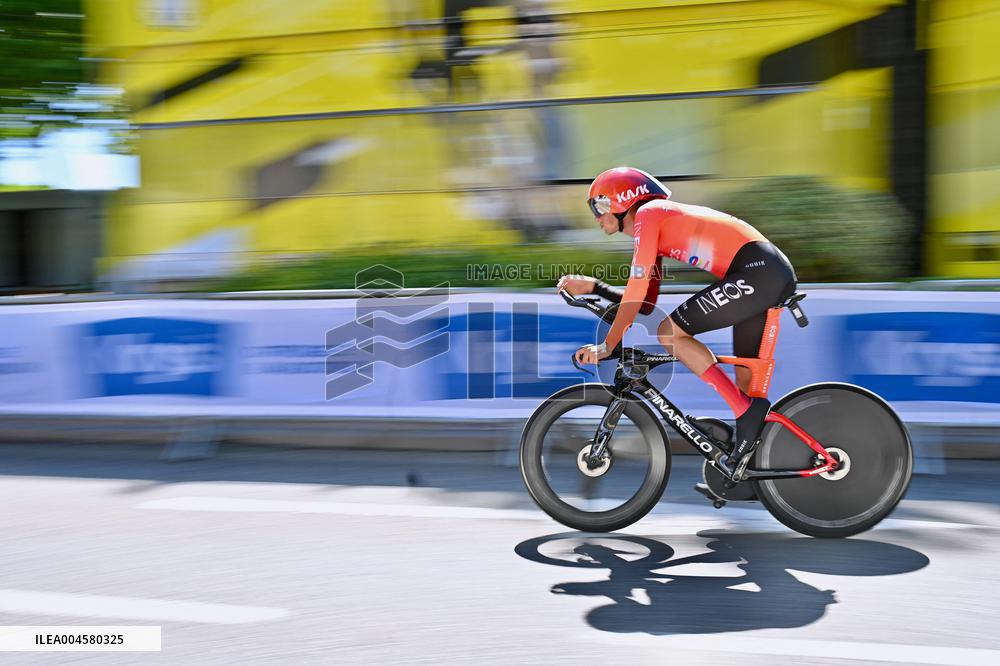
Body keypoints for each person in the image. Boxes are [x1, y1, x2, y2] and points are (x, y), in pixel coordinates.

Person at [558, 166, 797, 473]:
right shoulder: (653, 226)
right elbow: (644, 303)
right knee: (745, 381)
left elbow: (637, 288)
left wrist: (607, 345)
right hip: (761, 273)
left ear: (622, 200)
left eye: (599, 206)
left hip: (759, 271)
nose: (596, 216)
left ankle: (745, 411)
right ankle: (750, 472)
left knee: (670, 332)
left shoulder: (649, 214)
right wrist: (595, 288)